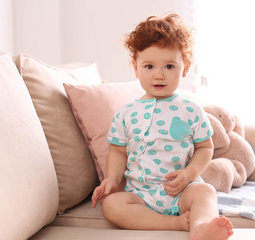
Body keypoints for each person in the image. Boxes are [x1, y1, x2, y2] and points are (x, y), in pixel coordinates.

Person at [92, 13, 233, 240]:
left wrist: (189, 174)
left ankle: (201, 228)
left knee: (206, 193)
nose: (159, 75)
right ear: (136, 68)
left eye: (169, 66)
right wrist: (111, 178)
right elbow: (118, 150)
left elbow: (205, 148)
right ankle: (175, 223)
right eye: (149, 66)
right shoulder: (126, 113)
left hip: (182, 190)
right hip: (140, 194)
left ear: (184, 68)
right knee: (111, 205)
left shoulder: (191, 109)